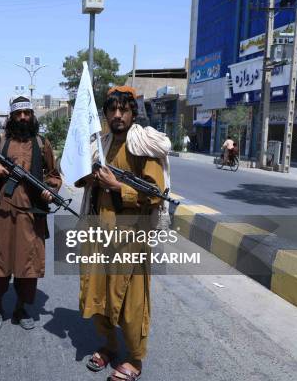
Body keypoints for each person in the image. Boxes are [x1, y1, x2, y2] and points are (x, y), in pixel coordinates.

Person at [76, 86, 166, 381]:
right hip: (99, 231)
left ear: (132, 113)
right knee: (98, 292)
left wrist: (118, 187)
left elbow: (155, 195)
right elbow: (82, 178)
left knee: (132, 300)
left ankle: (135, 360)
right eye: (112, 110)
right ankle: (108, 346)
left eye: (123, 110)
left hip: (131, 236)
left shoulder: (142, 145)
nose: (117, 115)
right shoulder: (101, 144)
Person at [0, 95, 61, 330]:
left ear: (32, 116)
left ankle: (22, 307)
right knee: (0, 260)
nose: (23, 117)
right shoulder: (1, 140)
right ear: (12, 116)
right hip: (4, 211)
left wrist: (50, 189)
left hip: (32, 213)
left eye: (27, 113)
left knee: (28, 263)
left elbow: (54, 175)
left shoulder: (42, 143)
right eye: (18, 114)